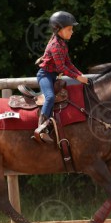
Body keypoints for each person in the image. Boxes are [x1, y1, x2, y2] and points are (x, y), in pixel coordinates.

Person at [34, 11, 89, 143]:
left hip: (53, 76)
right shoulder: (55, 46)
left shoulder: (62, 44)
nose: (72, 32)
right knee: (50, 97)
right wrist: (77, 78)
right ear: (58, 29)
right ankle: (41, 128)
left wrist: (80, 74)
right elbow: (61, 68)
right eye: (69, 29)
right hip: (45, 75)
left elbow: (68, 63)